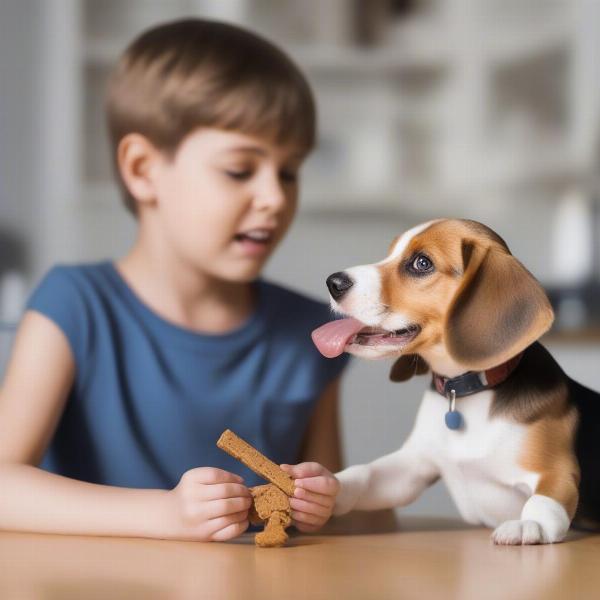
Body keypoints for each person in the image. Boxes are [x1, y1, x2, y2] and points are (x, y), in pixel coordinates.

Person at [0, 19, 349, 542]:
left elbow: (354, 524)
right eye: (239, 170)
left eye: (289, 171)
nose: (275, 198)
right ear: (143, 169)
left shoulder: (312, 332)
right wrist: (164, 516)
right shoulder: (73, 305)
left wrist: (331, 502)